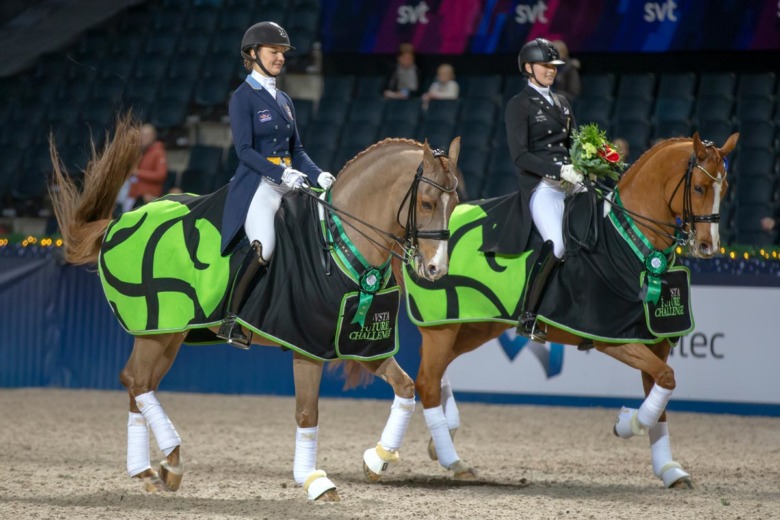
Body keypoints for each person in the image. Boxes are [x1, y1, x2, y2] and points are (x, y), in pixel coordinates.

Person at [217, 21, 335, 348]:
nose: (280, 57)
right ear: (253, 53)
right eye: (274, 51)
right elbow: (244, 151)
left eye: (283, 52)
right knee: (265, 246)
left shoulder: (284, 99)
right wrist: (280, 174)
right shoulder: (243, 98)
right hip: (259, 184)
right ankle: (231, 318)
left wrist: (318, 174)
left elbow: (297, 150)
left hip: (290, 180)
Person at [505, 37, 583, 342]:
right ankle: (529, 316)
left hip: (571, 182)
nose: (551, 71)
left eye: (554, 66)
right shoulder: (519, 104)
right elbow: (520, 156)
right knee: (558, 245)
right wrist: (557, 170)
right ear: (528, 68)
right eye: (545, 66)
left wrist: (593, 160)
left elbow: (575, 143)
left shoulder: (562, 102)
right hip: (542, 186)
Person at [116, 124, 168, 214]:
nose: (143, 138)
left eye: (147, 135)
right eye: (142, 135)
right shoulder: (140, 151)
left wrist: (137, 173)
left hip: (146, 197)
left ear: (153, 137)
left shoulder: (158, 152)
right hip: (133, 195)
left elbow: (161, 175)